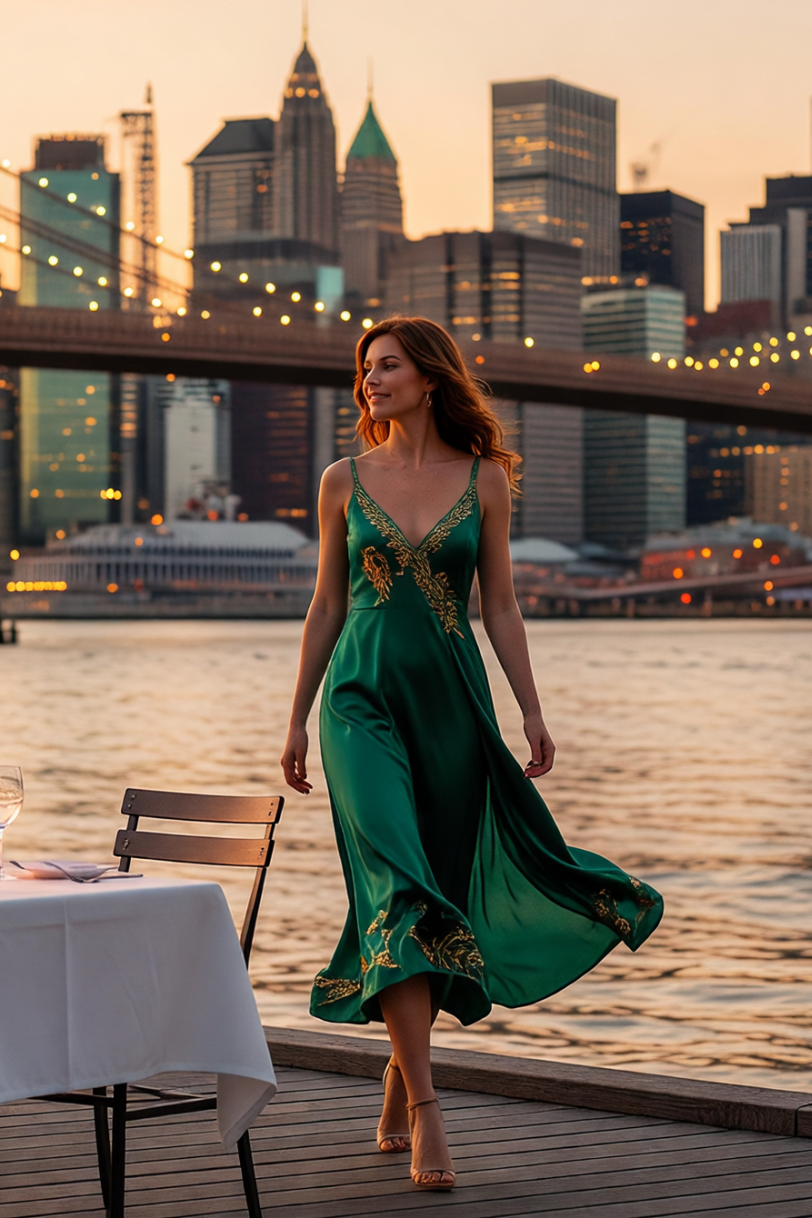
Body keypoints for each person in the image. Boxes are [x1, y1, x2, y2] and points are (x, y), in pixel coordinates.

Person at [280, 317, 663, 1191]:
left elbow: (502, 608)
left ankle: (395, 1072)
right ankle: (426, 1113)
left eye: (387, 366)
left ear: (429, 376)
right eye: (365, 368)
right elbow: (326, 609)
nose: (370, 380)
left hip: (454, 707)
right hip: (357, 704)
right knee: (400, 887)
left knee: (435, 895)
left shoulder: (487, 481)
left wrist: (531, 710)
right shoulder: (342, 481)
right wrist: (296, 718)